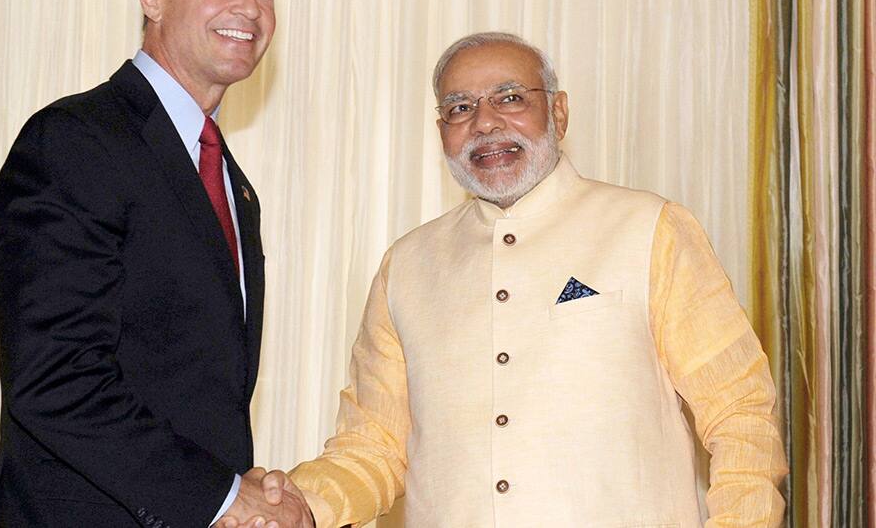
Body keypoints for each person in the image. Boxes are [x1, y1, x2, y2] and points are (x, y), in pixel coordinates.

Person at [262, 32, 786, 526]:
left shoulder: (649, 228)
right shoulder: (408, 265)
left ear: (558, 112)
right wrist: (298, 503)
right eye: (459, 108)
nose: (484, 124)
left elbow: (739, 410)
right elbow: (373, 446)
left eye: (509, 98)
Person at [0, 0, 310, 526]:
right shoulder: (76, 141)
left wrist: (240, 493)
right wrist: (218, 498)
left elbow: (196, 394)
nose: (249, 6)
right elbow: (56, 378)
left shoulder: (231, 184)